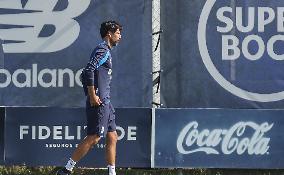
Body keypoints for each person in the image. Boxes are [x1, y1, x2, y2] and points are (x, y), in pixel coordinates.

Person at [57, 20, 122, 175]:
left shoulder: (105, 50)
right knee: (94, 137)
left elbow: (86, 73)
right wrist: (92, 95)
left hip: (106, 101)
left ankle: (112, 173)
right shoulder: (102, 50)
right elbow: (88, 71)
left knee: (112, 136)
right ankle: (66, 170)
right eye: (118, 33)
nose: (120, 36)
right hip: (99, 101)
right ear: (109, 34)